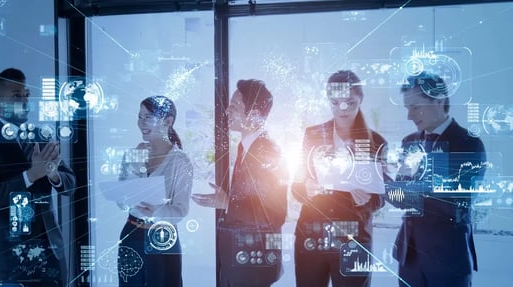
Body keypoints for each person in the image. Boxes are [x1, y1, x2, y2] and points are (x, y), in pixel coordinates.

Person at [0, 67, 76, 286]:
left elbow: (70, 185)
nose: (25, 101)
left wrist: (54, 174)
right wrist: (30, 175)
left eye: (26, 95)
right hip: (9, 257)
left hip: (50, 252)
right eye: (16, 96)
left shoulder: (41, 136)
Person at [389, 71, 486, 287]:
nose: (409, 116)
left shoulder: (467, 144)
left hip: (447, 260)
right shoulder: (409, 142)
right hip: (410, 259)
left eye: (415, 107)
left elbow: (456, 204)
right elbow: (399, 198)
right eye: (407, 108)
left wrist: (409, 190)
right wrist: (381, 179)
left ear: (439, 100)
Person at [291, 70, 387, 287]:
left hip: (353, 239)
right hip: (312, 236)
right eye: (335, 102)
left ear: (360, 99)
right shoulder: (312, 134)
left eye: (349, 102)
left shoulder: (376, 141)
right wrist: (306, 187)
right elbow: (296, 187)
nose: (342, 109)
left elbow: (383, 194)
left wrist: (366, 199)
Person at [192, 79, 287, 287]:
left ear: (253, 112)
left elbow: (276, 213)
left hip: (253, 264)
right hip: (240, 261)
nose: (227, 110)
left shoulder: (268, 151)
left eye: (234, 106)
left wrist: (227, 203)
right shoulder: (249, 148)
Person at [117, 95, 193, 287]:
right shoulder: (132, 155)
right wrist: (135, 166)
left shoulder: (180, 161)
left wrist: (157, 212)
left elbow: (181, 210)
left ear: (168, 121)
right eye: (140, 116)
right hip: (131, 234)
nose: (142, 123)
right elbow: (122, 201)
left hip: (163, 238)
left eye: (148, 117)